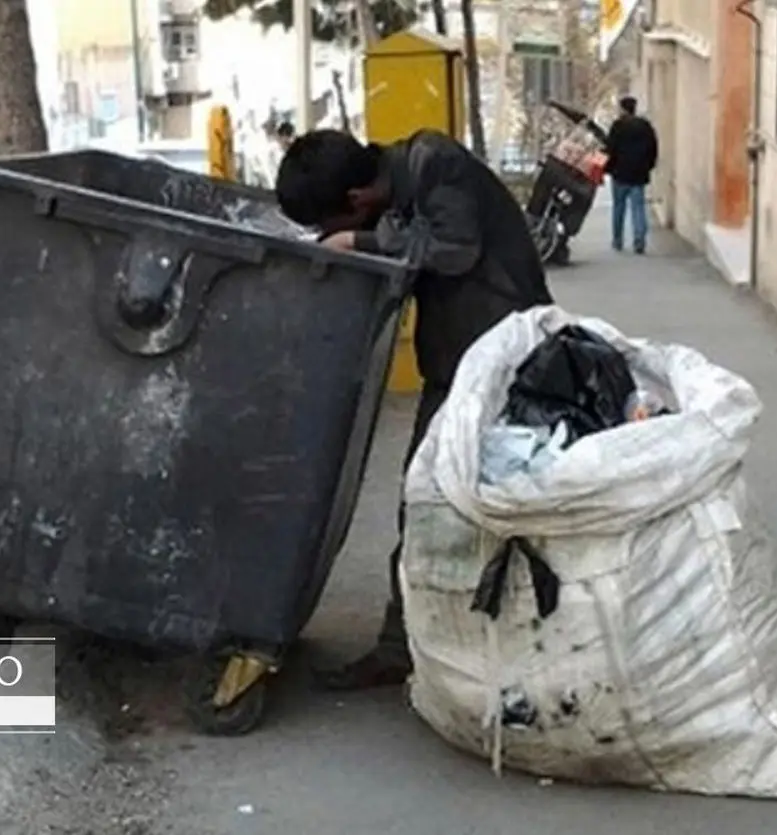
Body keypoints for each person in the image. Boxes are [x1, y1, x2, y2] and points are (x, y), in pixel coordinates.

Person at [275, 129, 554, 690]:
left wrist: (360, 244)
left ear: (355, 201)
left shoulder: (435, 164)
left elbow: (455, 249)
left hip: (504, 364)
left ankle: (517, 649)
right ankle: (404, 646)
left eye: (331, 225)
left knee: (498, 504)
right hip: (458, 365)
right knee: (426, 501)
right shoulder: (400, 194)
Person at [603, 96, 658, 254]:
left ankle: (617, 240)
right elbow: (653, 148)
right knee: (638, 208)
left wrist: (608, 168)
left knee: (618, 208)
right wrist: (648, 166)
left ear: (622, 109)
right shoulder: (645, 126)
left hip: (620, 173)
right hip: (638, 174)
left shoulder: (617, 126)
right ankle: (639, 240)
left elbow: (610, 149)